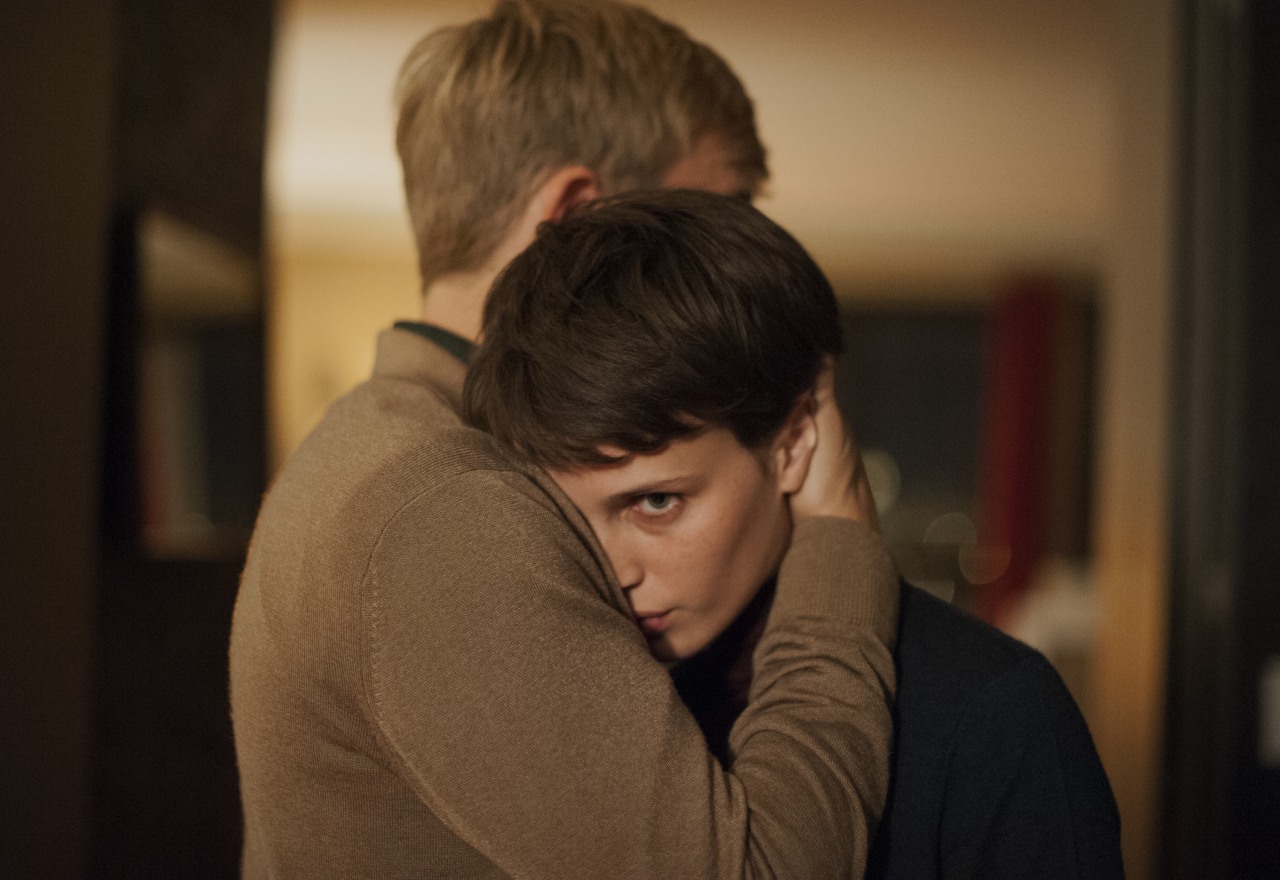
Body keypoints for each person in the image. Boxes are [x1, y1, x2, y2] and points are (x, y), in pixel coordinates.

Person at [229, 2, 897, 878]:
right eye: (714, 216)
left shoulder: (400, 453)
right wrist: (838, 537)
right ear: (576, 214)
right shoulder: (442, 507)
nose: (739, 265)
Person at [467, 188, 1125, 880]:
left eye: (657, 502)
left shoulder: (991, 713)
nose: (610, 570)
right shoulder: (551, 695)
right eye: (566, 516)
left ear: (794, 441)